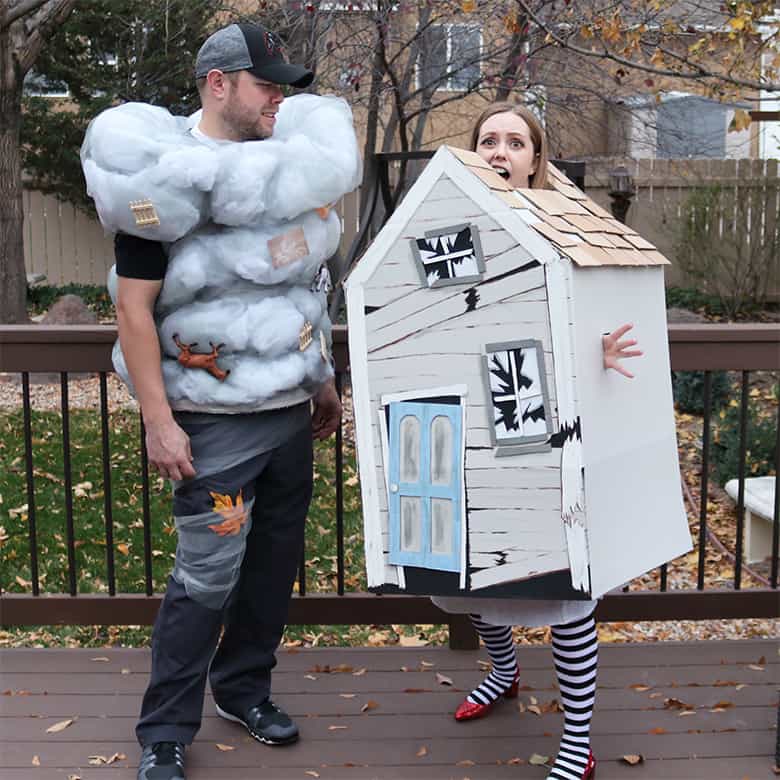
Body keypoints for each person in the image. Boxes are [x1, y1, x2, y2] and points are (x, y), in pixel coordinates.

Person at [80, 22, 361, 780]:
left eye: (282, 86)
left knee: (272, 567)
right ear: (219, 83)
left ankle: (244, 690)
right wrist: (159, 421)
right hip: (212, 426)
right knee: (206, 577)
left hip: (287, 419)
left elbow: (309, 282)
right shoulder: (160, 181)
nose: (279, 98)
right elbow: (133, 310)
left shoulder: (286, 174)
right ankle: (165, 730)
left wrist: (322, 376)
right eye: (266, 84)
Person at [432, 103, 642, 780]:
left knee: (566, 594)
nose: (500, 149)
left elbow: (602, 305)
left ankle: (576, 740)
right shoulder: (449, 227)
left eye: (515, 141)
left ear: (535, 158)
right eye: (487, 139)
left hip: (549, 430)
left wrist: (601, 348)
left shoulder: (562, 228)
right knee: (476, 582)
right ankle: (503, 672)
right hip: (471, 429)